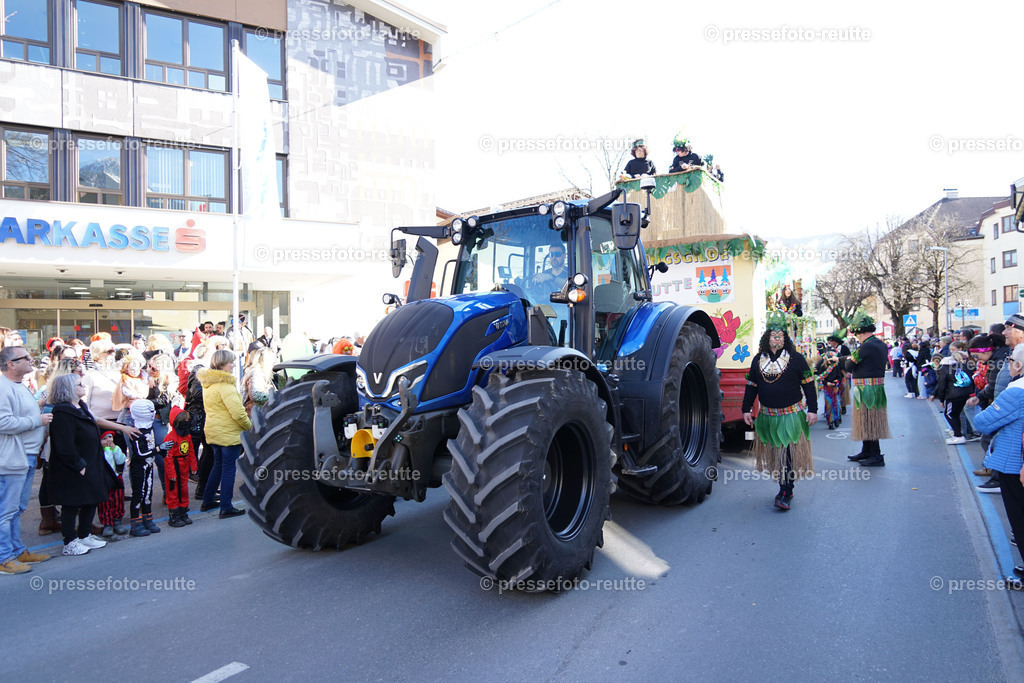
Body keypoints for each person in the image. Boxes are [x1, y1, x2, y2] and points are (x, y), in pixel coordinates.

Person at [742, 311, 818, 510]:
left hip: (790, 417)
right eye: (773, 335)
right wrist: (745, 409)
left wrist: (813, 409)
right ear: (767, 337)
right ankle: (784, 487)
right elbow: (751, 386)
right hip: (767, 417)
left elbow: (809, 385)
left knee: (787, 454)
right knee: (777, 455)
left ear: (786, 338)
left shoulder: (797, 359)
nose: (776, 338)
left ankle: (786, 491)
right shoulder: (757, 360)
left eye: (780, 335)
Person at [972, 343, 1024, 583]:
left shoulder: (1016, 392)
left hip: (1014, 464)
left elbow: (983, 422)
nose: (1007, 364)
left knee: (1019, 518)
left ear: (1019, 365)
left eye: (1010, 360)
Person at [47, 374, 114, 557]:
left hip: (91, 460)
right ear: (68, 389)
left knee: (91, 498)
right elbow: (64, 444)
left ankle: (84, 534)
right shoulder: (62, 412)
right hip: (74, 465)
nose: (83, 386)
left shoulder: (81, 407)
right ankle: (69, 542)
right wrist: (78, 464)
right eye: (79, 384)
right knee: (72, 503)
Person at [0, 346, 54, 574]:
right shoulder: (3, 387)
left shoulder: (16, 384)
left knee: (16, 508)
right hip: (12, 458)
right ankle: (4, 558)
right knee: (6, 510)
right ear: (11, 364)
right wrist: (37, 421)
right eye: (25, 357)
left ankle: (17, 550)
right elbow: (3, 422)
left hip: (25, 457)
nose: (31, 359)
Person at [199, 350, 251, 518]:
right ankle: (226, 507)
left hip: (214, 430)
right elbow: (238, 413)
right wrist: (249, 427)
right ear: (222, 364)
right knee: (228, 470)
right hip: (228, 432)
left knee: (218, 465)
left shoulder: (209, 383)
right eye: (231, 362)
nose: (233, 365)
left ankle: (207, 500)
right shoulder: (226, 385)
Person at [845, 311, 891, 467]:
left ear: (861, 332)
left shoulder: (866, 346)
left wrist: (846, 361)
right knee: (868, 420)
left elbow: (849, 365)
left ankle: (876, 455)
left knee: (869, 421)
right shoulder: (880, 344)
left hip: (866, 389)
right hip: (876, 387)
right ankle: (867, 451)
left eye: (857, 334)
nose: (857, 337)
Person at [929, 341, 974, 445]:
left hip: (953, 394)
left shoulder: (944, 367)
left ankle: (958, 435)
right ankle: (959, 433)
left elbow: (942, 384)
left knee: (949, 414)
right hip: (965, 392)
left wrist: (941, 398)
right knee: (957, 414)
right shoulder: (964, 364)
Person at [160, 407, 197, 528]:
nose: (185, 423)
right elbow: (168, 457)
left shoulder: (187, 436)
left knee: (184, 491)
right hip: (175, 468)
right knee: (173, 492)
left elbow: (191, 451)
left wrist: (193, 466)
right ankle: (174, 516)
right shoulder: (170, 438)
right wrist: (171, 473)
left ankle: (183, 512)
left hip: (184, 469)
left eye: (186, 421)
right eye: (183, 421)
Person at [97, 430, 128, 538]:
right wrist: (107, 450)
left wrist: (115, 449)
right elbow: (108, 461)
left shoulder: (116, 448)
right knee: (105, 502)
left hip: (116, 477)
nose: (108, 440)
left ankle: (117, 521)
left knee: (118, 500)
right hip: (104, 479)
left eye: (110, 437)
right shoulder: (100, 452)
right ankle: (107, 524)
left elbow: (121, 460)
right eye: (104, 439)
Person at [242, 348, 276, 417]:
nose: (274, 362)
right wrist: (274, 396)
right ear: (266, 360)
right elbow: (255, 395)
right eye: (272, 359)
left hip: (255, 412)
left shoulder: (258, 372)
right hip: (254, 413)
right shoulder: (256, 373)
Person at [815, 349, 842, 429]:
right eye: (829, 360)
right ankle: (830, 422)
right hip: (827, 388)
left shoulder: (836, 367)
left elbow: (839, 377)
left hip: (835, 387)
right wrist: (827, 383)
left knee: (836, 403)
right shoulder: (823, 367)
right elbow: (820, 378)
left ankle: (836, 419)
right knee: (829, 404)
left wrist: (836, 382)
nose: (831, 362)